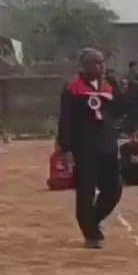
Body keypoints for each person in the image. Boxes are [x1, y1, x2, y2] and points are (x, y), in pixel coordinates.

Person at [57, 47, 123, 249]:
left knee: (114, 190)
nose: (101, 66)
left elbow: (119, 111)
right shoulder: (73, 88)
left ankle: (92, 221)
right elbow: (65, 119)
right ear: (85, 66)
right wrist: (66, 148)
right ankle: (90, 234)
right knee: (85, 192)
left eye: (102, 62)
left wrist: (122, 91)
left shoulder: (109, 86)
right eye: (97, 62)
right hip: (84, 148)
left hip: (108, 146)